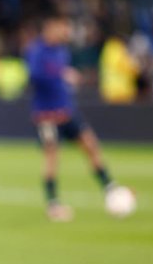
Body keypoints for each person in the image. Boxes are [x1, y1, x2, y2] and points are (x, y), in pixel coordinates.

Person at [25, 13, 115, 221]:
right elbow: (34, 77)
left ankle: (110, 188)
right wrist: (61, 75)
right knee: (52, 157)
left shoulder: (62, 51)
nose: (66, 31)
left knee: (90, 144)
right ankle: (53, 203)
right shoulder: (36, 50)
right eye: (62, 27)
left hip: (66, 111)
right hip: (46, 115)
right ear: (50, 27)